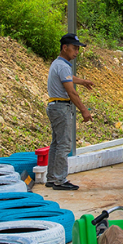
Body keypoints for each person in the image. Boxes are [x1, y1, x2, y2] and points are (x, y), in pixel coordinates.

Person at [45, 32, 95, 191]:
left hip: (54, 106)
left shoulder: (58, 64)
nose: (76, 52)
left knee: (56, 143)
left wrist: (82, 81)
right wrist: (84, 110)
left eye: (78, 49)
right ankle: (60, 180)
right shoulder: (63, 65)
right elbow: (71, 92)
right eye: (74, 48)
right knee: (64, 144)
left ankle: (52, 178)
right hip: (61, 108)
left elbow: (68, 78)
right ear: (64, 48)